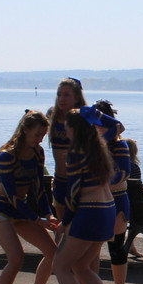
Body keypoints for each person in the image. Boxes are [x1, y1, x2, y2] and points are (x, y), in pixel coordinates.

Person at [54, 106, 124, 284]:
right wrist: (93, 114)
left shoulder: (76, 153)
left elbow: (73, 192)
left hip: (89, 212)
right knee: (83, 266)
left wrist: (65, 222)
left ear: (76, 129)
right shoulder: (101, 147)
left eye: (68, 128)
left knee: (61, 265)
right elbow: (115, 125)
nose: (66, 133)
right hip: (107, 211)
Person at [0, 110, 60, 284]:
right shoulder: (7, 155)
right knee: (16, 257)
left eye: (43, 136)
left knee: (52, 253)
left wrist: (47, 213)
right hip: (0, 210)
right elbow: (11, 195)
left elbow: (39, 188)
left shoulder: (37, 153)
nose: (40, 140)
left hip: (21, 211)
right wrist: (38, 220)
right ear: (25, 129)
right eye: (37, 134)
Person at [94, 99, 132, 284]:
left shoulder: (120, 144)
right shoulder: (89, 145)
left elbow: (123, 172)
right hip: (95, 201)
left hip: (117, 199)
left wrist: (100, 181)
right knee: (92, 249)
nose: (96, 127)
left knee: (116, 248)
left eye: (101, 123)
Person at [46, 77, 87, 224]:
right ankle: (59, 247)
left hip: (78, 179)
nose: (61, 98)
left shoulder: (84, 116)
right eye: (59, 94)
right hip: (60, 178)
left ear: (76, 97)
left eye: (66, 95)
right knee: (61, 224)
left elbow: (117, 128)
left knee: (77, 225)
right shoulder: (52, 114)